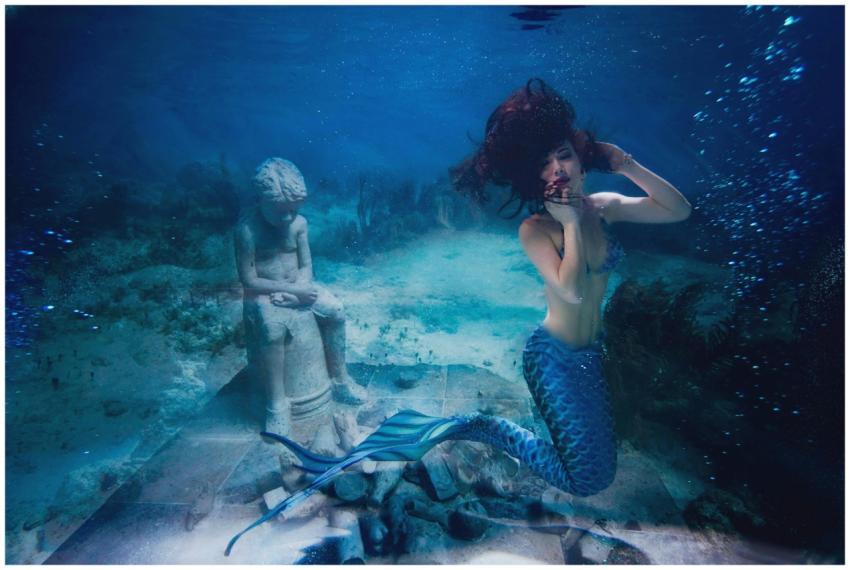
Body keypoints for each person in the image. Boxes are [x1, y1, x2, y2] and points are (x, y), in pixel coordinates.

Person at [225, 81, 691, 555]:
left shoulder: (604, 209)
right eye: (544, 164)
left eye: (564, 156)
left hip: (589, 354)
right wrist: (570, 224)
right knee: (586, 478)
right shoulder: (537, 228)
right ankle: (480, 426)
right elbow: (570, 290)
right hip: (553, 359)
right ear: (533, 177)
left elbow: (677, 209)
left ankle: (478, 429)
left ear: (581, 157)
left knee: (601, 473)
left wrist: (625, 163)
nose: (557, 169)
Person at [235, 158, 367, 436]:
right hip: (264, 294)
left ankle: (341, 380)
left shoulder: (299, 225)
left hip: (299, 287)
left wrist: (299, 293)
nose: (287, 218)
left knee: (336, 310)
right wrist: (295, 293)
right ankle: (276, 405)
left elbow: (306, 266)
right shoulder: (247, 230)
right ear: (260, 200)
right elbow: (248, 280)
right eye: (281, 212)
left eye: (293, 211)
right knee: (272, 330)